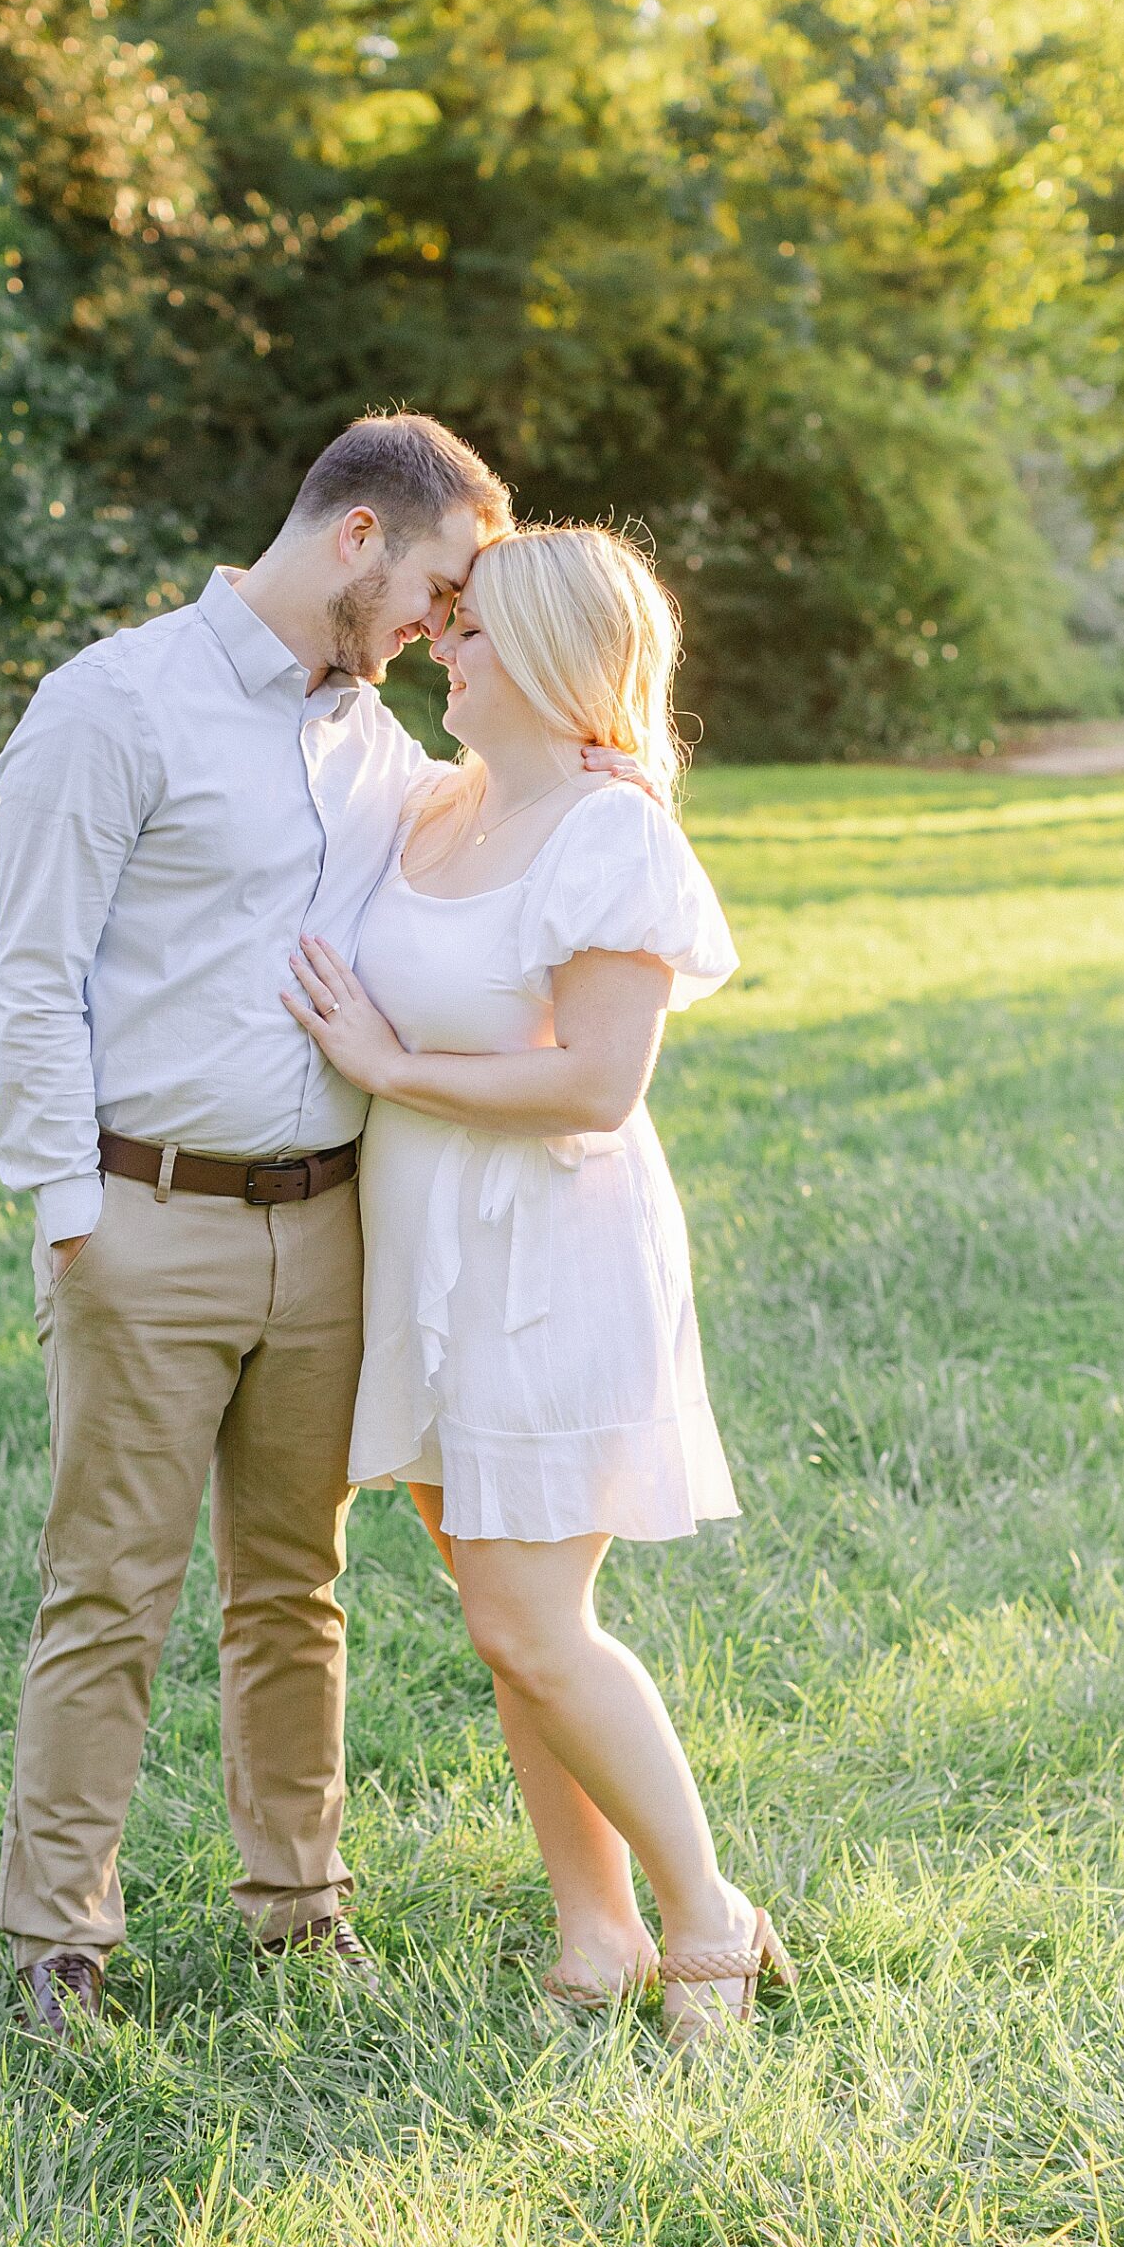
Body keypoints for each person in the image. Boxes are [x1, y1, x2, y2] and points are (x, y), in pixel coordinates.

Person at [0, 414, 642, 2035]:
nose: (439, 629)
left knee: (295, 1585)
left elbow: (514, 825)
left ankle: (300, 1906)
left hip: (336, 1228)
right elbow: (35, 972)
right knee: (111, 1588)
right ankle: (59, 1939)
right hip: (148, 1217)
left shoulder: (388, 756)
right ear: (358, 538)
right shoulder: (111, 705)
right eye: (434, 587)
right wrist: (71, 1212)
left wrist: (598, 767)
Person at [282, 523, 796, 2049]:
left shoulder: (611, 834)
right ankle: (597, 1935)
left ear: (561, 658)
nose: (443, 647)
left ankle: (711, 1918)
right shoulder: (442, 806)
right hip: (430, 1244)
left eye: (473, 631)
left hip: (549, 1260)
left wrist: (388, 1063)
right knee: (500, 1610)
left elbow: (598, 1084)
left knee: (531, 1617)